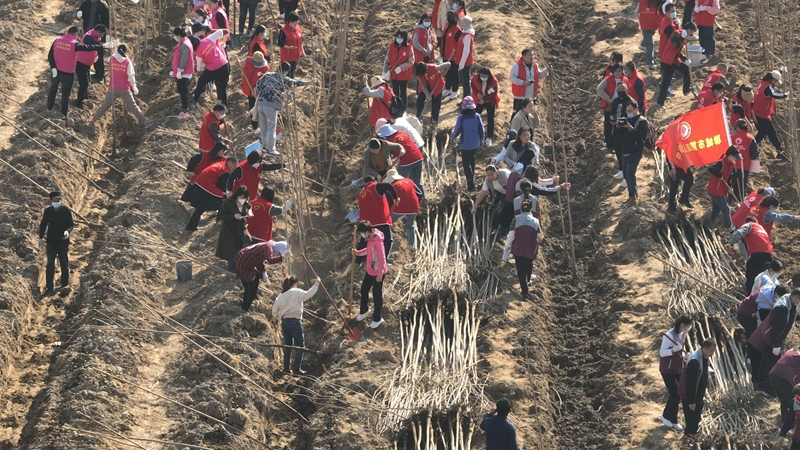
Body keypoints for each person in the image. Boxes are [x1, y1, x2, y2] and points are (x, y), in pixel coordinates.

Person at [47, 26, 109, 117]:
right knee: (65, 94)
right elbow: (88, 47)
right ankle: (63, 113)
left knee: (53, 89)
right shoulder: (74, 44)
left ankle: (49, 108)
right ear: (75, 34)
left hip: (56, 71)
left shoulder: (57, 41)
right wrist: (103, 46)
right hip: (68, 73)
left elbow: (50, 56)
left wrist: (53, 67)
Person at [254, 61, 313, 156]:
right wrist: (309, 82)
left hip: (260, 104)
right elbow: (296, 83)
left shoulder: (268, 75)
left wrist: (262, 92)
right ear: (286, 71)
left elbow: (257, 85)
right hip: (271, 106)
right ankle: (271, 149)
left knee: (263, 127)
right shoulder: (283, 79)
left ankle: (264, 147)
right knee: (271, 128)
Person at [749, 289, 800, 396]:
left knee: (766, 360)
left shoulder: (789, 301)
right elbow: (777, 327)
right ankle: (765, 387)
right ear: (796, 298)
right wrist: (776, 344)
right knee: (769, 362)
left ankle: (762, 385)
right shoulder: (782, 307)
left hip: (773, 337)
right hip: (771, 338)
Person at [88, 44, 153, 128]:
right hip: (124, 88)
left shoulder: (111, 58)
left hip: (113, 87)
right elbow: (131, 76)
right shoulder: (127, 62)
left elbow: (109, 58)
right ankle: (145, 122)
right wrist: (134, 87)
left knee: (104, 105)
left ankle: (93, 120)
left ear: (117, 50)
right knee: (133, 106)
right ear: (126, 51)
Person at [272, 275, 320, 375]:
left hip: (285, 322)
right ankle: (297, 369)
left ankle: (286, 368)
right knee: (300, 346)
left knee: (288, 345)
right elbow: (308, 294)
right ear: (295, 284)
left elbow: (274, 311)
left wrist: (280, 317)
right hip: (295, 321)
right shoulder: (297, 292)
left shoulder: (281, 296)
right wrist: (317, 283)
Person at [503, 200, 543, 299]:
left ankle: (525, 293)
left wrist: (507, 248)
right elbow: (539, 237)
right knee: (529, 265)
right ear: (531, 209)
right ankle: (528, 281)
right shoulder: (535, 221)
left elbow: (511, 236)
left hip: (518, 249)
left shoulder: (516, 219)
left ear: (520, 209)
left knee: (520, 271)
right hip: (530, 248)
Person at [186, 157, 238, 231]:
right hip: (206, 188)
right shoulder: (225, 171)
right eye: (234, 166)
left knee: (200, 208)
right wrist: (227, 194)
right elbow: (222, 187)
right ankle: (219, 221)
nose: (234, 169)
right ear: (229, 163)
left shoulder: (220, 164)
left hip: (199, 185)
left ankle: (191, 227)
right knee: (224, 201)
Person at [659, 315, 692, 432]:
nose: (688, 328)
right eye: (687, 326)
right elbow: (662, 353)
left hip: (677, 368)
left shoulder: (682, 335)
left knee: (679, 393)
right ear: (682, 325)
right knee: (675, 393)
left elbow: (680, 352)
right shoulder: (669, 336)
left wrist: (684, 357)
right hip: (667, 370)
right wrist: (673, 350)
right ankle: (665, 416)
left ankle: (673, 420)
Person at [353, 221, 387, 329]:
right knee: (364, 290)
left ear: (367, 231)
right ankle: (364, 310)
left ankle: (377, 318)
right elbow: (368, 251)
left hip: (378, 272)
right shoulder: (370, 239)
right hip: (370, 270)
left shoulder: (377, 242)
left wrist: (380, 274)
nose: (362, 235)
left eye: (362, 233)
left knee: (376, 294)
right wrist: (357, 252)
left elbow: (382, 259)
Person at [39, 191, 75, 296]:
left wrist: (67, 231)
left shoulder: (66, 211)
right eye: (55, 200)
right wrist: (41, 237)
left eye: (58, 200)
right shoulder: (48, 211)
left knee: (64, 263)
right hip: (51, 242)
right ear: (51, 201)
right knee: (50, 264)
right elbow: (43, 224)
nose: (57, 202)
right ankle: (49, 287)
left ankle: (64, 284)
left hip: (63, 241)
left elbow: (71, 224)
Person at [234, 240, 287, 311]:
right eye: (278, 253)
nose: (277, 255)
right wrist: (281, 258)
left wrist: (263, 270)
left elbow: (259, 259)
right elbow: (270, 260)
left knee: (257, 274)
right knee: (249, 286)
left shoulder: (267, 246)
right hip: (243, 262)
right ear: (277, 249)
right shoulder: (268, 247)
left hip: (247, 260)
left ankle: (252, 296)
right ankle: (245, 307)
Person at [655, 22, 697, 109]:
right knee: (665, 82)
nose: (690, 34)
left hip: (674, 60)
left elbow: (677, 52)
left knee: (687, 69)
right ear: (688, 30)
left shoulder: (683, 36)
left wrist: (685, 59)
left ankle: (686, 89)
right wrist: (682, 38)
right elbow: (675, 46)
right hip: (667, 61)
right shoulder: (676, 34)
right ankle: (660, 102)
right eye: (691, 32)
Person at [678, 339, 716, 436]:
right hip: (691, 397)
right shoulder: (695, 361)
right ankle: (689, 439)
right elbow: (690, 383)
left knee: (696, 419)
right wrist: (691, 402)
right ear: (704, 349)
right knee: (691, 422)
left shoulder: (704, 358)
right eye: (711, 351)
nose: (712, 354)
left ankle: (691, 437)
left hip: (697, 396)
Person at [727, 217, 775, 293]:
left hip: (756, 255)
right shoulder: (762, 229)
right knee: (766, 278)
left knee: (751, 278)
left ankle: (750, 298)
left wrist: (731, 243)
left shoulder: (749, 225)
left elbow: (740, 232)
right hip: (770, 255)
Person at [377, 125, 425, 197]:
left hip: (407, 161)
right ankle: (421, 198)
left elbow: (389, 156)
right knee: (417, 181)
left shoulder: (389, 141)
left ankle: (401, 196)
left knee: (398, 179)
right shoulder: (402, 133)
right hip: (418, 157)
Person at [754, 71, 791, 159]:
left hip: (757, 112)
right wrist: (785, 95)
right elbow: (773, 94)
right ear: (772, 79)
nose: (777, 83)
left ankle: (752, 145)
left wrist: (780, 71)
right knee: (772, 133)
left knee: (763, 132)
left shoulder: (763, 83)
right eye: (776, 81)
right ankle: (780, 151)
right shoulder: (768, 87)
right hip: (762, 114)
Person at [358, 177, 397, 259]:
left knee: (365, 241)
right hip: (380, 219)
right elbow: (389, 186)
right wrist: (395, 197)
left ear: (365, 183)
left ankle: (358, 260)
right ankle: (384, 259)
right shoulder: (376, 186)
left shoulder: (361, 194)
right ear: (374, 181)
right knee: (388, 240)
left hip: (366, 222)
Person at [451, 96, 485, 191]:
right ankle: (472, 178)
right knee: (472, 159)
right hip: (476, 143)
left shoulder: (461, 117)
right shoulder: (477, 116)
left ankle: (471, 185)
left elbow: (457, 130)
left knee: (466, 165)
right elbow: (482, 129)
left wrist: (452, 136)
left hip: (465, 144)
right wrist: (482, 139)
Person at [192, 24, 230, 105]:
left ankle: (195, 100)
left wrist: (197, 76)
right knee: (222, 87)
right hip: (224, 64)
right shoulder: (208, 39)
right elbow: (220, 31)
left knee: (201, 82)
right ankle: (223, 106)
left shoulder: (198, 55)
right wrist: (223, 42)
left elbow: (199, 68)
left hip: (214, 68)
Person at [216, 186, 253, 272]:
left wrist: (249, 213)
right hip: (230, 229)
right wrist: (233, 216)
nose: (242, 199)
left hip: (241, 227)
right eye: (241, 197)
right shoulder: (228, 203)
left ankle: (242, 265)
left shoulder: (245, 203)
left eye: (244, 197)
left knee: (246, 242)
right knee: (232, 251)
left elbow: (249, 208)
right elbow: (222, 215)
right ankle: (231, 271)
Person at [618, 101, 648, 205]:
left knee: (630, 174)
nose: (628, 113)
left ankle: (634, 197)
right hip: (625, 151)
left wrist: (630, 128)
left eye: (630, 111)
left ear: (636, 109)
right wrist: (618, 126)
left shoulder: (642, 121)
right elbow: (621, 135)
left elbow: (640, 136)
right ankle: (631, 195)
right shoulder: (626, 119)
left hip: (635, 152)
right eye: (627, 111)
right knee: (626, 174)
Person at [705, 146, 742, 230]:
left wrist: (730, 187)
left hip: (720, 190)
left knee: (716, 208)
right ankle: (729, 227)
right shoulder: (721, 163)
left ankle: (710, 222)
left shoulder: (731, 164)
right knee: (726, 209)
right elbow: (711, 168)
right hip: (715, 190)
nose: (735, 159)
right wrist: (719, 175)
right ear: (730, 155)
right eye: (734, 157)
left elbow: (729, 177)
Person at [385, 169, 422, 248]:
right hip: (413, 207)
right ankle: (411, 246)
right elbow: (420, 193)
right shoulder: (409, 181)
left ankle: (389, 240)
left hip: (400, 207)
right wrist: (417, 203)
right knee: (410, 226)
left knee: (388, 223)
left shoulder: (392, 186)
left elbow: (388, 200)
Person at [509, 48, 551, 114]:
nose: (532, 57)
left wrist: (547, 70)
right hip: (520, 96)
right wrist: (523, 82)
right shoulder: (517, 66)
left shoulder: (535, 65)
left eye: (532, 55)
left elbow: (539, 75)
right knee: (517, 114)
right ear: (524, 56)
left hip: (531, 95)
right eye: (530, 55)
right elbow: (512, 78)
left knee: (530, 116)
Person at [74, 24, 107, 109]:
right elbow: (95, 44)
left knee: (87, 81)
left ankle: (85, 97)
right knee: (84, 84)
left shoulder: (96, 36)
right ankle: (78, 103)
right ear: (97, 31)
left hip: (87, 64)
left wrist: (96, 55)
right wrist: (105, 45)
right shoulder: (88, 36)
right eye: (101, 34)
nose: (102, 36)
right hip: (81, 63)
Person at [77, 0, 110, 82]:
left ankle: (100, 75)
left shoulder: (103, 6)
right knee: (87, 52)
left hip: (98, 35)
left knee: (98, 54)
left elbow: (106, 24)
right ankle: (86, 70)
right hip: (88, 33)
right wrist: (78, 15)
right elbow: (80, 13)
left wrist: (107, 38)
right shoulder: (86, 3)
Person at [597, 64, 628, 148]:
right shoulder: (608, 80)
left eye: (620, 71)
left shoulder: (625, 80)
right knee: (609, 125)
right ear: (613, 72)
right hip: (610, 105)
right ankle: (608, 143)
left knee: (619, 124)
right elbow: (599, 89)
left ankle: (617, 144)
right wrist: (608, 99)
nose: (618, 73)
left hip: (621, 106)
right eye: (616, 71)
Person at [382, 29, 415, 111]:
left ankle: (403, 108)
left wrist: (401, 68)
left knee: (403, 92)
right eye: (397, 37)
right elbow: (387, 59)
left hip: (404, 75)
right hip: (394, 74)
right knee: (395, 91)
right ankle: (396, 107)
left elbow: (411, 61)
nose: (398, 39)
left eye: (401, 37)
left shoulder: (409, 48)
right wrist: (385, 71)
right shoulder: (392, 46)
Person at [728, 119, 759, 202]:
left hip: (732, 164)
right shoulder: (750, 137)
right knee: (742, 184)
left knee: (732, 182)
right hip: (744, 165)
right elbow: (754, 154)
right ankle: (740, 200)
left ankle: (731, 200)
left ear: (737, 127)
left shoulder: (731, 137)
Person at [773, 353, 800, 444]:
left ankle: (787, 426)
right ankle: (790, 427)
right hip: (785, 377)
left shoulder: (791, 353)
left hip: (773, 376)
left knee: (784, 402)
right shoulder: (796, 357)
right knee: (790, 403)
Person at [609, 82, 633, 185]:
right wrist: (612, 119)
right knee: (618, 149)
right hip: (616, 129)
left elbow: (633, 116)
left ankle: (627, 177)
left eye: (622, 89)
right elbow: (612, 113)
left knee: (626, 152)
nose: (620, 91)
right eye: (618, 90)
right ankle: (621, 169)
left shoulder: (630, 102)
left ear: (627, 89)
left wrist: (624, 123)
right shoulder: (615, 101)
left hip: (626, 130)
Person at [242, 51, 270, 130]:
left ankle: (263, 125)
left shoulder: (266, 69)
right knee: (252, 108)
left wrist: (257, 89)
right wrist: (237, 61)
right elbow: (241, 64)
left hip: (259, 93)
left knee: (260, 109)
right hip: (249, 90)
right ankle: (255, 127)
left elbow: (265, 82)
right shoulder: (247, 61)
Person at [657, 3, 680, 100]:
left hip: (668, 51)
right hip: (666, 51)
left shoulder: (670, 21)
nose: (674, 13)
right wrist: (679, 27)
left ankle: (665, 86)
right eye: (672, 12)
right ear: (666, 12)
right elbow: (673, 35)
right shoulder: (667, 23)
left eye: (675, 11)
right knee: (666, 72)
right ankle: (665, 89)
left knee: (667, 72)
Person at [471, 68, 500, 145]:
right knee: (475, 116)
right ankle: (475, 134)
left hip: (489, 100)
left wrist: (485, 99)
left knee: (490, 118)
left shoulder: (493, 81)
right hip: (479, 100)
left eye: (485, 76)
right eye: (481, 75)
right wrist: (477, 94)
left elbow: (494, 93)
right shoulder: (476, 78)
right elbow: (473, 85)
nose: (483, 77)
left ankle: (489, 137)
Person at [171, 27, 194, 117]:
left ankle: (185, 110)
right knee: (182, 90)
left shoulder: (185, 45)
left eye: (175, 36)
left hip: (184, 71)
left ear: (179, 36)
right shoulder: (184, 41)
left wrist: (180, 70)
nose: (175, 38)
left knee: (183, 90)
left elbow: (184, 59)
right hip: (183, 70)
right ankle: (184, 103)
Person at [440, 11, 462, 100]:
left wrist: (457, 57)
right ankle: (448, 87)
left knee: (454, 74)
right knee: (447, 73)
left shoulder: (457, 30)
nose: (448, 18)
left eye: (450, 17)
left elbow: (459, 46)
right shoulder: (447, 27)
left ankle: (455, 90)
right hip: (445, 55)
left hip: (453, 57)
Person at [277, 12, 305, 79]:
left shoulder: (297, 29)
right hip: (287, 57)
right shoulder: (284, 31)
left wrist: (302, 51)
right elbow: (280, 43)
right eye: (295, 22)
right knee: (286, 75)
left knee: (292, 72)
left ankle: (290, 87)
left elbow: (300, 40)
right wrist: (289, 47)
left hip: (295, 55)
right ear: (290, 22)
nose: (296, 24)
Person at [637, 0, 661, 69]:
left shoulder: (642, 1)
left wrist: (640, 20)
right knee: (650, 44)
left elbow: (636, 11)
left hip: (645, 24)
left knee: (648, 39)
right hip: (654, 23)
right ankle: (649, 63)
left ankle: (642, 44)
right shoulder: (656, 2)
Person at [455, 16, 474, 98]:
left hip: (465, 63)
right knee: (464, 82)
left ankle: (467, 99)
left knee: (465, 82)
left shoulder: (467, 36)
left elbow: (466, 50)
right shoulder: (465, 33)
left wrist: (462, 63)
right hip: (462, 61)